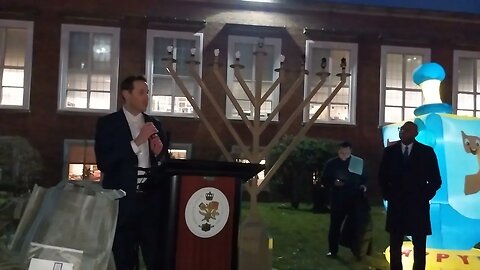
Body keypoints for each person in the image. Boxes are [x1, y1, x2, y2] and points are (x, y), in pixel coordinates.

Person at [95, 75, 168, 270]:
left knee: (155, 256)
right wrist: (136, 143)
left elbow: (165, 165)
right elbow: (104, 162)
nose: (146, 98)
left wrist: (160, 153)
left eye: (147, 93)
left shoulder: (156, 125)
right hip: (122, 203)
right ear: (126, 94)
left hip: (151, 204)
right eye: (141, 92)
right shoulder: (108, 124)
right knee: (124, 256)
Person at [379, 121, 441, 270]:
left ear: (415, 133)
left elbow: (435, 180)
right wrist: (388, 194)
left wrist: (425, 195)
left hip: (417, 205)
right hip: (397, 204)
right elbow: (382, 176)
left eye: (406, 130)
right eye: (401, 129)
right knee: (395, 242)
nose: (402, 132)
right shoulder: (390, 152)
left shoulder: (426, 152)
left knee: (419, 244)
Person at [321, 141, 367, 258]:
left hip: (354, 198)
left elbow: (364, 178)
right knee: (335, 225)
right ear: (338, 151)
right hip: (338, 198)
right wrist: (333, 182)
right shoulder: (332, 164)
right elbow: (324, 180)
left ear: (350, 152)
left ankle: (356, 250)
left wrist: (363, 186)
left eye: (346, 154)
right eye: (342, 153)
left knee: (356, 226)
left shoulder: (357, 162)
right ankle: (333, 250)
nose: (344, 156)